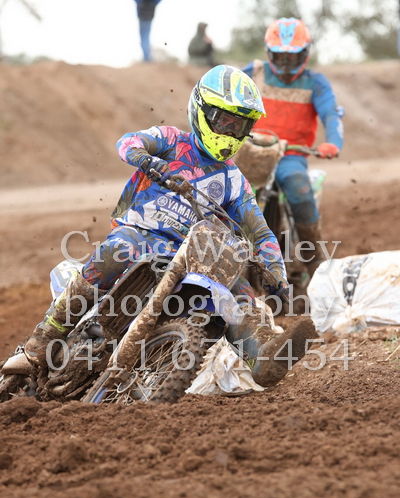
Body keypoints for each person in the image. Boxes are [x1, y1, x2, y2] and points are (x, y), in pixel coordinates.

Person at [24, 65, 314, 386]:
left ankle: (261, 352)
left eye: (241, 125)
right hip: (140, 234)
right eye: (225, 122)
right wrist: (148, 160)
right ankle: (49, 332)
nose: (231, 132)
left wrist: (276, 274)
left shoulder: (234, 181)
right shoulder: (171, 140)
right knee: (118, 249)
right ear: (202, 111)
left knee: (238, 287)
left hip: (191, 256)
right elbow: (128, 142)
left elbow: (260, 231)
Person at [242, 17, 344, 277]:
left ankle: (314, 261)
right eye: (280, 56)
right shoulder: (253, 73)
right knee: (218, 184)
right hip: (249, 150)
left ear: (305, 54)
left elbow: (331, 113)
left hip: (290, 155)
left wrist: (333, 142)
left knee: (299, 187)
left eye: (293, 57)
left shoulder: (315, 82)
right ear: (269, 53)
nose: (286, 64)